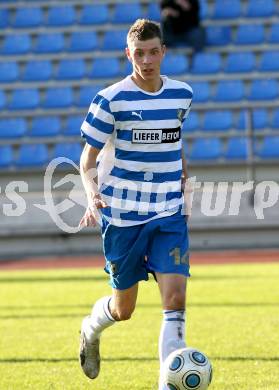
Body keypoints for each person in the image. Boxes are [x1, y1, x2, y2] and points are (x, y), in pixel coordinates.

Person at [78, 19, 193, 390]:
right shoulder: (111, 99)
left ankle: (167, 384)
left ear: (163, 52)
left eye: (153, 52)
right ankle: (91, 328)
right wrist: (92, 193)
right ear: (129, 54)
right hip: (123, 216)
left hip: (168, 212)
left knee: (175, 299)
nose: (146, 60)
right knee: (123, 309)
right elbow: (86, 160)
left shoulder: (182, 95)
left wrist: (183, 183)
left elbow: (175, 143)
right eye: (139, 53)